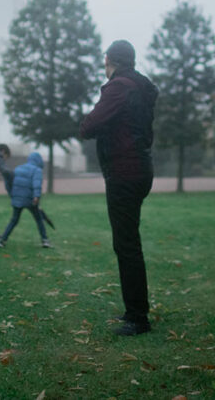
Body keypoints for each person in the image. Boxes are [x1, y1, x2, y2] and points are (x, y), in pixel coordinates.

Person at [79, 39, 159, 336]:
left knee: (126, 245)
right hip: (141, 168)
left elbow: (89, 126)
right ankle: (135, 310)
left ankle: (138, 317)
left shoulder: (118, 87)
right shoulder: (141, 88)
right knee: (129, 243)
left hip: (124, 172)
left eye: (105, 60)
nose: (103, 65)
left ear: (110, 60)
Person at [0, 151, 50, 248]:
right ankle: (45, 240)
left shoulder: (18, 168)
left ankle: (2, 240)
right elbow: (36, 184)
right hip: (30, 200)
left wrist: (12, 194)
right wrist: (36, 196)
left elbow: (9, 182)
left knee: (14, 220)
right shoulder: (37, 170)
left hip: (17, 199)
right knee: (39, 219)